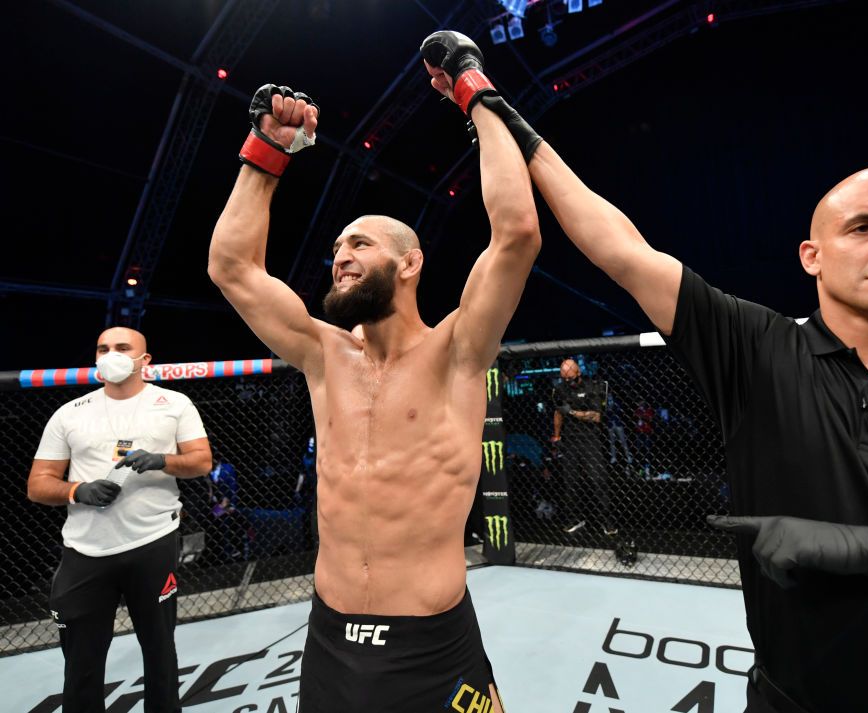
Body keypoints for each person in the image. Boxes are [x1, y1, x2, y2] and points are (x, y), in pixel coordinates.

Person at [440, 63, 868, 707]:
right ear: (813, 256)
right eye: (864, 227)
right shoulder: (760, 352)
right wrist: (488, 102)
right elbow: (622, 250)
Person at [208, 31, 540, 711]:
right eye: (336, 247)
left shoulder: (458, 350)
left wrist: (474, 90)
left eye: (359, 242)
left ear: (409, 262)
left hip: (434, 644)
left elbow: (516, 233)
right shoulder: (323, 355)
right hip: (329, 640)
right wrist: (267, 152)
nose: (340, 255)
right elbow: (232, 267)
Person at [26, 327, 213, 713]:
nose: (111, 353)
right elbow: (38, 484)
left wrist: (162, 460)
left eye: (122, 348)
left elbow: (201, 462)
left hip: (153, 541)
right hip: (86, 548)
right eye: (103, 348)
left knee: (160, 650)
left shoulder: (174, 403)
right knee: (81, 660)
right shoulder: (70, 413)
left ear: (144, 360)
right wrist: (77, 490)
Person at [551, 358, 616, 536]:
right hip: (570, 440)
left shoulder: (592, 386)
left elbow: (596, 416)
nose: (567, 382)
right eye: (564, 379)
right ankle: (575, 518)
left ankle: (607, 521)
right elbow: (558, 412)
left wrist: (571, 411)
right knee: (570, 482)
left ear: (578, 374)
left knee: (598, 480)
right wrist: (556, 435)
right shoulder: (560, 389)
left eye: (570, 379)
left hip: (590, 439)